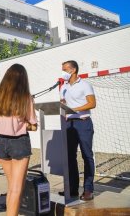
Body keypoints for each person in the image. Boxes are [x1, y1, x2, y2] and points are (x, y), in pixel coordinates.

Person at [0, 63, 37, 216]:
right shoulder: (25, 97)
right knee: (17, 189)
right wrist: (25, 125)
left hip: (2, 142)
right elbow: (33, 126)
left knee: (11, 187)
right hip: (19, 142)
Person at [59, 60, 96, 201]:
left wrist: (75, 109)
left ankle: (88, 190)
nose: (63, 72)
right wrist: (61, 105)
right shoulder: (64, 87)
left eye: (65, 69)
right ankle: (72, 189)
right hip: (69, 124)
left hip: (83, 123)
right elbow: (63, 103)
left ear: (73, 70)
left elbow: (92, 103)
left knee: (87, 156)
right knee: (69, 157)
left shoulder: (85, 85)